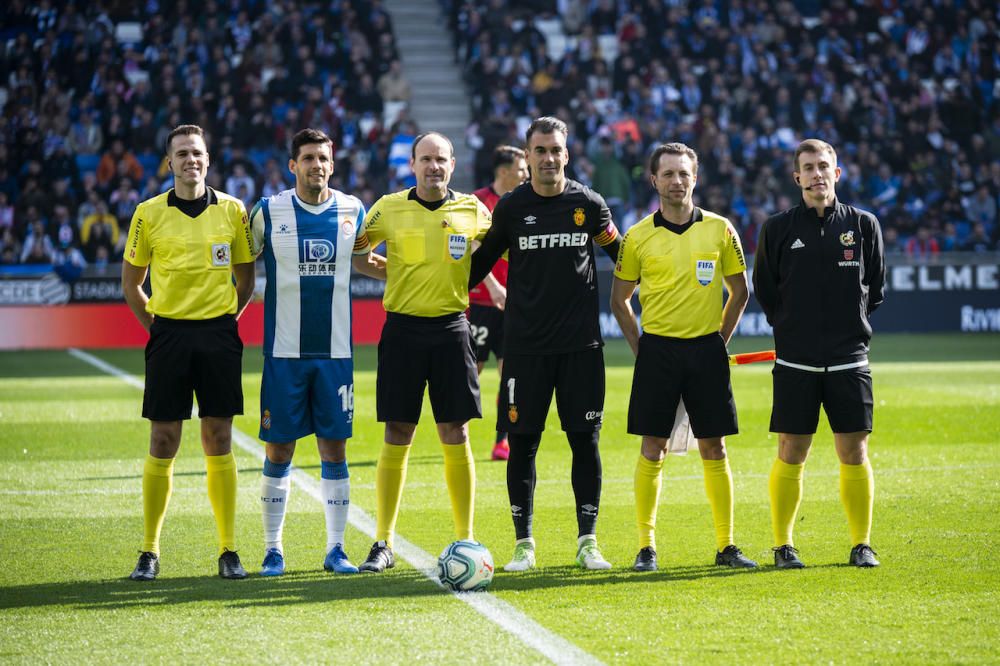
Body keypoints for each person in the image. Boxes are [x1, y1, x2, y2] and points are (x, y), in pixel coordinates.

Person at [468, 116, 622, 571]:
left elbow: (627, 259)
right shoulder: (512, 208)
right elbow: (479, 266)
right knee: (523, 445)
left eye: (556, 150)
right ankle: (524, 545)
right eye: (540, 150)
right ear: (527, 156)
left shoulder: (589, 205)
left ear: (567, 155)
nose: (549, 158)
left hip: (581, 350)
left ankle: (588, 541)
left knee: (585, 443)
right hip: (525, 350)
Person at [610, 143, 757, 572]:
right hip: (658, 349)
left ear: (696, 178)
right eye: (668, 174)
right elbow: (620, 300)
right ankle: (646, 547)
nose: (677, 181)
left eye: (684, 173)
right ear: (653, 180)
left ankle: (727, 546)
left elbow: (740, 292)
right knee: (652, 447)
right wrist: (642, 348)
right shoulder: (637, 236)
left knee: (715, 447)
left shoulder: (720, 229)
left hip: (705, 350)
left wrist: (719, 341)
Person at [353, 131, 493, 573]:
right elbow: (359, 254)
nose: (434, 166)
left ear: (453, 165)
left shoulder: (473, 210)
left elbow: (492, 254)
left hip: (453, 329)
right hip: (403, 331)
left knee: (458, 433)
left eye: (442, 160)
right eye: (426, 159)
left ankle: (465, 538)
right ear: (412, 165)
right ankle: (383, 541)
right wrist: (391, 271)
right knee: (398, 432)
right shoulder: (388, 208)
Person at [122, 124, 256, 581]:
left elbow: (246, 281)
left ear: (208, 159)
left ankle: (228, 549)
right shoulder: (148, 213)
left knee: (218, 439)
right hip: (170, 337)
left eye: (196, 152)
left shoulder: (234, 211)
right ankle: (149, 550)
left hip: (218, 336)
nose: (190, 160)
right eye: (181, 154)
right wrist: (157, 329)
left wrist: (224, 323)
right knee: (163, 441)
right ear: (170, 162)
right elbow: (131, 283)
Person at [250, 128, 386, 577]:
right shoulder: (268, 212)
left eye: (323, 158)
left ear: (333, 163)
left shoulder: (353, 210)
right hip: (284, 354)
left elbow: (364, 258)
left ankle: (335, 550)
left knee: (334, 448)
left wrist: (408, 270)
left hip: (335, 354)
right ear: (293, 165)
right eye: (308, 158)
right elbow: (241, 261)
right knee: (279, 450)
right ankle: (273, 550)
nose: (317, 166)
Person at [753, 138, 885, 569]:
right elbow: (767, 294)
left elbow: (876, 291)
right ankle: (783, 545)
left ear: (837, 173)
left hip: (849, 359)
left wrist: (848, 329)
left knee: (855, 451)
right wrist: (794, 331)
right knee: (792, 450)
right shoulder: (777, 229)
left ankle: (862, 544)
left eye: (823, 166)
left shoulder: (865, 225)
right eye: (807, 168)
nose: (816, 174)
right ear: (797, 177)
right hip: (796, 360)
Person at [470, 145, 529, 461]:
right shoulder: (477, 202)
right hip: (480, 302)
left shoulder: (524, 201)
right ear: (504, 171)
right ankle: (457, 430)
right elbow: (471, 246)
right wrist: (492, 286)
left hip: (515, 305)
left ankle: (502, 440)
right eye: (521, 169)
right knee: (470, 374)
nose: (526, 174)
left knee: (511, 376)